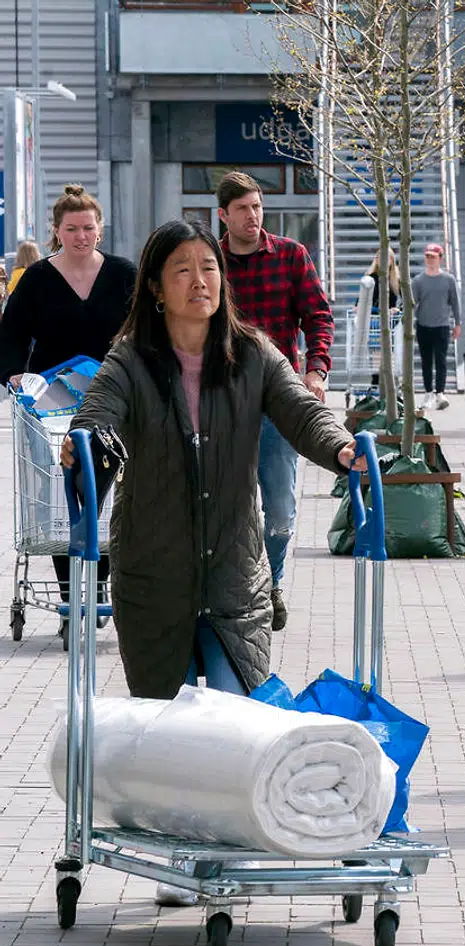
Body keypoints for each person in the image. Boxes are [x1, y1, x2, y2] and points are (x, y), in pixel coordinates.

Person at [65, 218, 359, 905]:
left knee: (234, 727)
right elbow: (97, 412)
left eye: (209, 268)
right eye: (183, 270)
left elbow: (302, 411)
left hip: (233, 576)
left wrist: (342, 448)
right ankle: (180, 864)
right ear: (156, 288)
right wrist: (90, 441)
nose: (201, 281)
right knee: (168, 732)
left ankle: (226, 863)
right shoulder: (131, 361)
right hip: (155, 577)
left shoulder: (252, 354)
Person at [1, 185, 137, 634]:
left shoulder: (123, 275)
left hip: (114, 399)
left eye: (88, 228)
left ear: (100, 229)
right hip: (53, 407)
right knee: (62, 504)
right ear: (56, 231)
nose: (81, 236)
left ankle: (97, 592)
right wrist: (14, 374)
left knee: (109, 498)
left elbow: (146, 328)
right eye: (72, 229)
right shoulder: (38, 278)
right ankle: (69, 600)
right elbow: (11, 334)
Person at [217, 170, 334, 634]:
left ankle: (272, 584)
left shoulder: (290, 255)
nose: (253, 216)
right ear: (223, 215)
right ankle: (233, 590)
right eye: (242, 209)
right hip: (221, 403)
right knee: (226, 508)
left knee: (281, 511)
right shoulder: (211, 262)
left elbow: (318, 315)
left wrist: (316, 370)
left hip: (278, 401)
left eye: (257, 207)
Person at [412, 243, 462, 411]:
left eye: (433, 257)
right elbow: (412, 302)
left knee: (441, 360)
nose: (430, 260)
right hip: (423, 325)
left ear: (440, 258)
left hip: (442, 325)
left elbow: (455, 302)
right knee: (426, 361)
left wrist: (458, 323)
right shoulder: (418, 280)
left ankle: (440, 393)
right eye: (427, 256)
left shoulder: (448, 280)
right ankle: (428, 393)